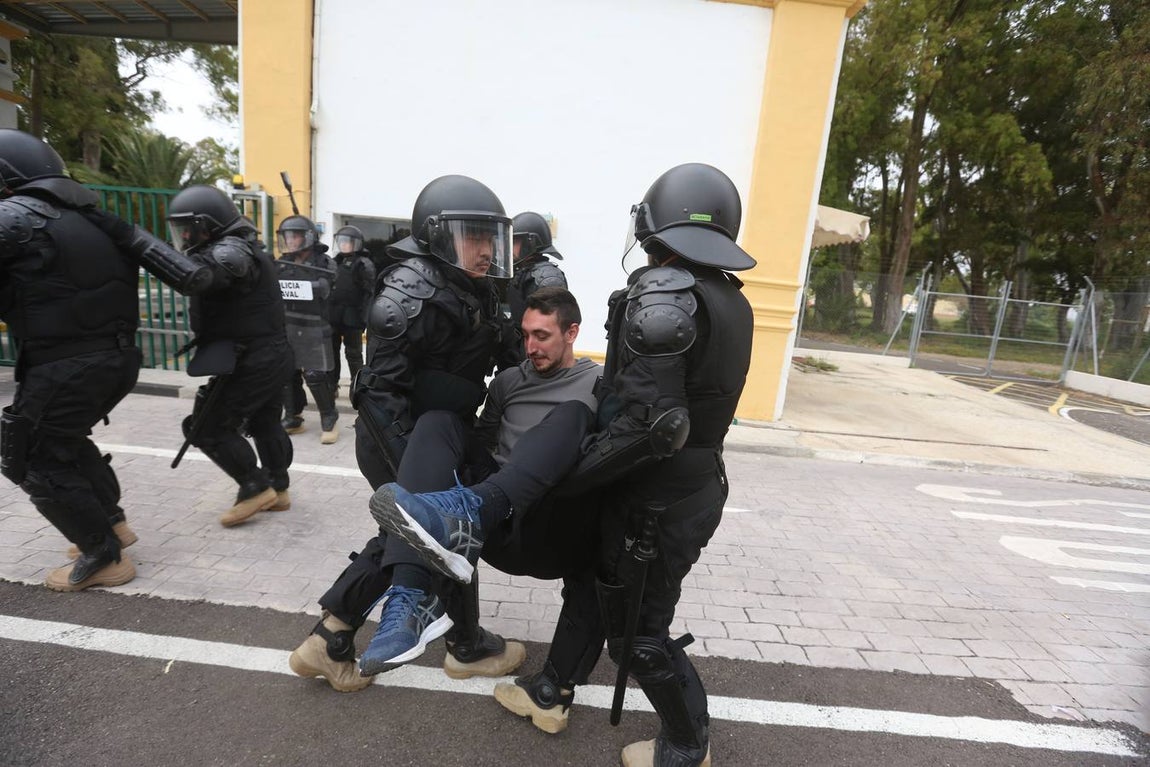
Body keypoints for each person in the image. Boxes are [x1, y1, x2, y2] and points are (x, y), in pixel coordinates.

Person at [368, 163, 755, 767]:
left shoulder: (667, 293)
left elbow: (651, 425)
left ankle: (685, 743)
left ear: (653, 226)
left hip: (657, 494)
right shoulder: (730, 298)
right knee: (598, 590)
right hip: (687, 486)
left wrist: (553, 482)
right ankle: (551, 688)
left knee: (638, 633)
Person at [288, 175, 523, 692]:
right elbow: (376, 394)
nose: (485, 250)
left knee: (434, 530)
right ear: (438, 237)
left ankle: (335, 638)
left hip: (442, 432)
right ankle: (461, 646)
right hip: (401, 435)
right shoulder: (409, 291)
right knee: (429, 526)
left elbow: (499, 350)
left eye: (489, 239)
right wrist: (417, 476)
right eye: (473, 238)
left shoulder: (470, 285)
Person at [358, 288, 605, 712]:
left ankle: (468, 510)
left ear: (572, 333)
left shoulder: (599, 382)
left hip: (552, 523)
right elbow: (484, 443)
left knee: (572, 415)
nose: (531, 347)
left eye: (543, 336)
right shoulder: (510, 381)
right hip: (492, 523)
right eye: (526, 335)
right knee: (439, 422)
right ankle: (411, 601)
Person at [0, 129, 210, 591]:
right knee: (65, 440)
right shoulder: (97, 221)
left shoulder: (15, 218)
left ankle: (102, 556)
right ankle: (111, 524)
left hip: (64, 363)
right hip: (115, 359)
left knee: (32, 459)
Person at [166, 185, 295, 528]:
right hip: (267, 354)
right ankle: (279, 490)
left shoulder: (230, 252)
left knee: (206, 427)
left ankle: (255, 487)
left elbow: (200, 276)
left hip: (252, 358)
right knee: (265, 422)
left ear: (208, 225)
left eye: (188, 229)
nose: (185, 237)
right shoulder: (243, 248)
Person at [276, 215, 340, 444]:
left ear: (307, 237)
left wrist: (299, 285)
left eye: (294, 236)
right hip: (288, 325)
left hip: (314, 326)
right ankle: (293, 416)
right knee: (287, 373)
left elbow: (324, 288)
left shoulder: (324, 262)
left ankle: (329, 417)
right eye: (287, 236)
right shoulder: (282, 262)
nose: (290, 241)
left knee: (315, 375)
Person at [327, 225, 375, 397]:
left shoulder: (364, 264)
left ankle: (357, 387)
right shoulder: (335, 262)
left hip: (353, 316)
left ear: (356, 243)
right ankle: (331, 386)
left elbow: (369, 293)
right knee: (331, 352)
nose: (344, 245)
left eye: (347, 242)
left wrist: (364, 319)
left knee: (353, 354)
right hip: (334, 315)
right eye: (341, 241)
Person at [507, 211, 567, 330]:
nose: (510, 247)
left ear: (529, 243)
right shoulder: (523, 272)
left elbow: (550, 329)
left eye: (514, 242)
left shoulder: (548, 278)